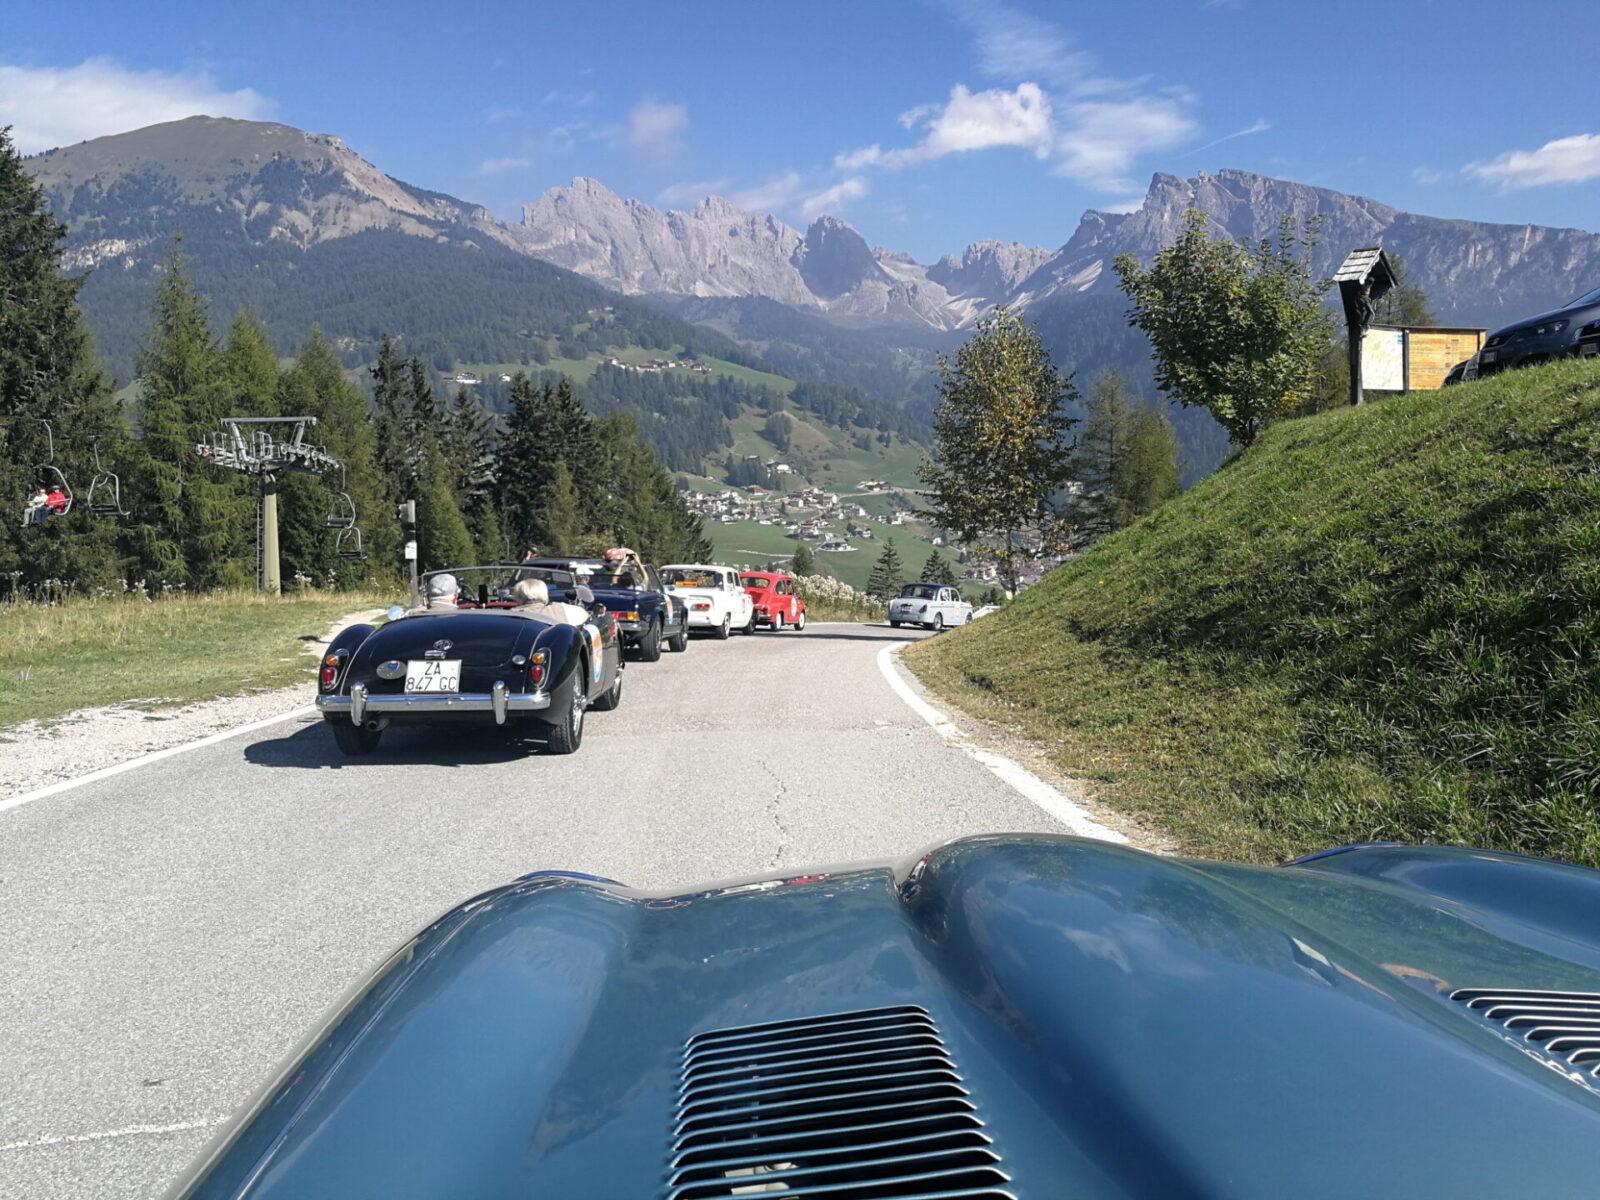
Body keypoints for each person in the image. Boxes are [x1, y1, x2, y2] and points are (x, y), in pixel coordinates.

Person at [509, 576, 587, 626]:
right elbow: (584, 615)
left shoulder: (510, 614)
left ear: (518, 596)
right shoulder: (559, 609)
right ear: (544, 594)